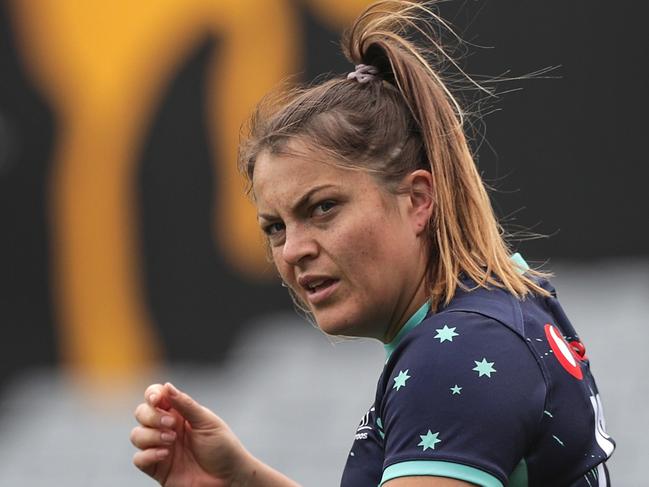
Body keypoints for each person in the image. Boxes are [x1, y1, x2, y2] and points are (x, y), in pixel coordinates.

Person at [130, 1, 615, 485]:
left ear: (417, 199)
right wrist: (241, 480)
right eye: (274, 227)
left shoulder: (457, 356)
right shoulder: (502, 308)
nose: (293, 250)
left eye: (322, 208)